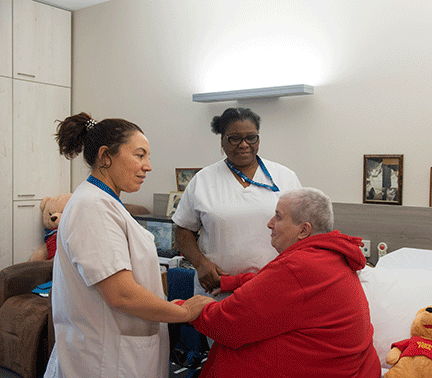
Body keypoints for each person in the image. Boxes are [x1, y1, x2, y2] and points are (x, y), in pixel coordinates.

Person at [44, 112, 211, 378]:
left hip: (119, 352)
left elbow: (131, 275)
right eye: (140, 155)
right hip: (105, 360)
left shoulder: (106, 203)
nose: (148, 166)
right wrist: (183, 311)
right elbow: (120, 293)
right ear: (106, 156)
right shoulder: (92, 207)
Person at [185, 187, 381, 377]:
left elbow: (227, 326)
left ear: (304, 230)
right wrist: (234, 282)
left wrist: (187, 309)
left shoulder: (297, 266)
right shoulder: (330, 256)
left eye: (278, 216)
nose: (270, 224)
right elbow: (278, 289)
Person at [172, 107, 302, 298]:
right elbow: (183, 230)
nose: (244, 145)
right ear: (222, 140)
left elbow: (302, 230)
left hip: (273, 287)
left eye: (251, 137)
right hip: (217, 288)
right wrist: (200, 263)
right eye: (234, 138)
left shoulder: (284, 177)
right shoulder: (203, 180)